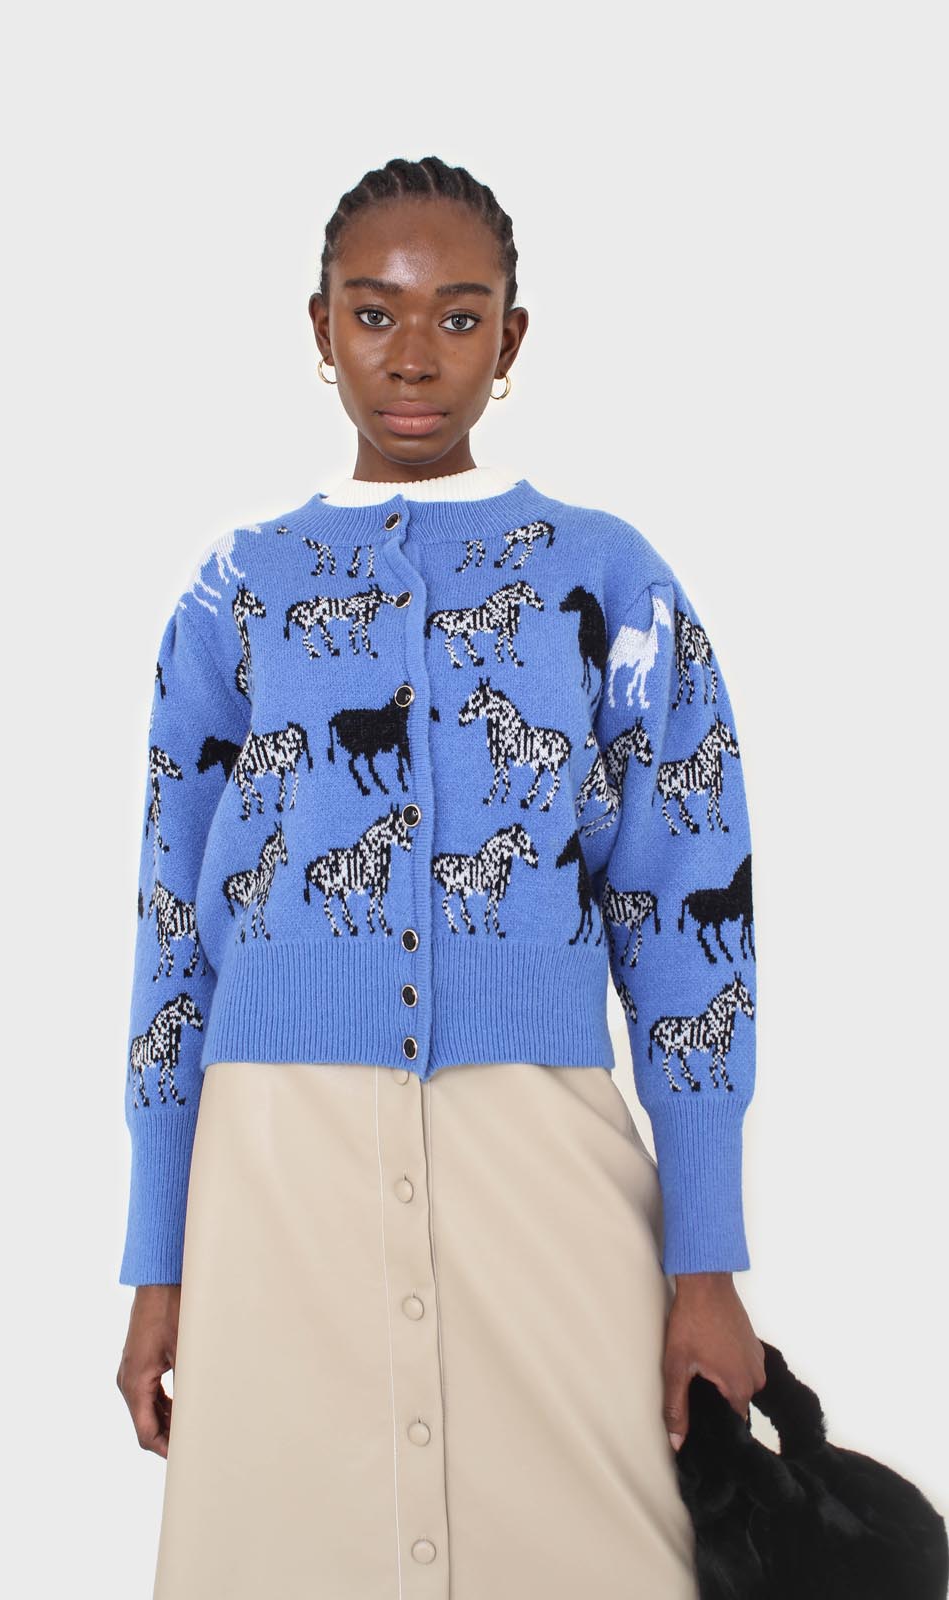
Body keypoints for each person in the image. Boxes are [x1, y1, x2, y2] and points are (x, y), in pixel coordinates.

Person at [116, 153, 767, 1599]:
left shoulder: (612, 577)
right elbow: (174, 940)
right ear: (321, 328)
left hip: (541, 1165)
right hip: (272, 1179)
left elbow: (688, 925)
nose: (414, 355)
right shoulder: (236, 589)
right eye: (375, 313)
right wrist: (158, 1260)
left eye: (459, 317)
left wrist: (706, 1261)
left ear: (511, 339)